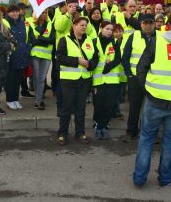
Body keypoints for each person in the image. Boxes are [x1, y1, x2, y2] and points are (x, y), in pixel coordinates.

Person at [133, 13, 171, 187]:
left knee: (146, 138)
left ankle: (139, 178)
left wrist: (148, 89)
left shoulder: (157, 41)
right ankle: (165, 177)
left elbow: (141, 68)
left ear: (167, 25)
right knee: (169, 141)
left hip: (155, 100)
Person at [56, 16, 98, 145]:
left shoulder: (89, 40)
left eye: (86, 25)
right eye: (81, 25)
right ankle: (62, 133)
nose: (84, 27)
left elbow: (96, 57)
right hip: (68, 81)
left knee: (81, 108)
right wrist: (77, 61)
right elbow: (60, 58)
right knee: (66, 108)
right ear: (74, 26)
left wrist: (90, 64)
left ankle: (80, 133)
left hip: (84, 80)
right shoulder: (65, 40)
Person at [122, 13, 157, 140]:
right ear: (140, 24)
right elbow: (125, 57)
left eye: (150, 23)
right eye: (145, 23)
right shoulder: (134, 36)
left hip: (153, 78)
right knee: (134, 106)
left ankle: (148, 133)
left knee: (152, 108)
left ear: (154, 24)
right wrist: (129, 74)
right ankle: (131, 131)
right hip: (136, 78)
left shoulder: (161, 38)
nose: (147, 26)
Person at [92, 21, 121, 139]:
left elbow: (118, 58)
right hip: (98, 80)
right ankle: (98, 126)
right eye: (107, 29)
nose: (109, 31)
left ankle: (104, 126)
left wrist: (109, 66)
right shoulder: (94, 42)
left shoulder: (114, 42)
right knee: (98, 105)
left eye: (111, 29)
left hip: (112, 80)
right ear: (101, 29)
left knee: (109, 105)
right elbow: (92, 58)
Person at [4, 4, 33, 110]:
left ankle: (15, 99)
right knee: (10, 80)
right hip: (11, 56)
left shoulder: (22, 23)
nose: (15, 13)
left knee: (17, 80)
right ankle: (9, 100)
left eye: (16, 11)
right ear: (8, 13)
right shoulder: (5, 23)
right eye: (12, 12)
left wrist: (26, 51)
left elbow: (27, 39)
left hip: (21, 56)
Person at [30, 11, 54, 110]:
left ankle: (38, 100)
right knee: (36, 77)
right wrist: (45, 40)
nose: (44, 14)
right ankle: (38, 100)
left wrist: (39, 38)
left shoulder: (50, 24)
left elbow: (52, 39)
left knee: (42, 78)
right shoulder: (31, 24)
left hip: (46, 55)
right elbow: (32, 40)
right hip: (35, 54)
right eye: (42, 12)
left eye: (45, 12)